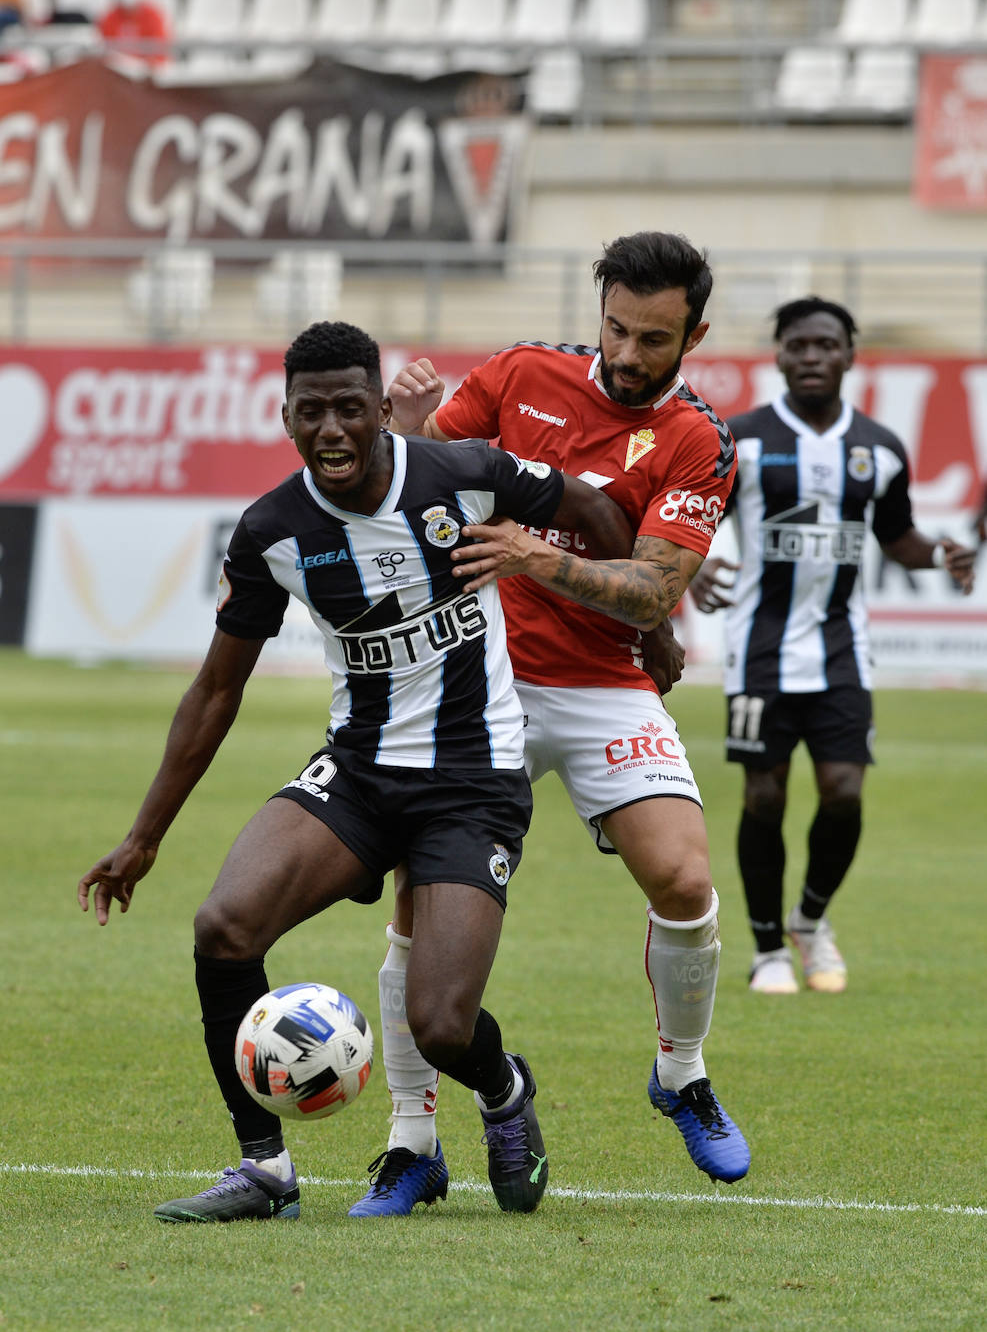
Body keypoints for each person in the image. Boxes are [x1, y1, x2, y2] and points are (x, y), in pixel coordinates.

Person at [77, 320, 636, 1223]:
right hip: (361, 773)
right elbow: (217, 691)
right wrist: (143, 839)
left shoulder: (462, 473)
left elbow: (591, 511)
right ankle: (263, 1172)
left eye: (348, 408)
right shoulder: (272, 530)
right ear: (285, 418)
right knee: (224, 927)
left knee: (441, 1026)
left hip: (472, 779)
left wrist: (641, 625)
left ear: (383, 411)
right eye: (310, 412)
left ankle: (503, 1094)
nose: (330, 429)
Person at [345, 230, 752, 1220]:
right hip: (481, 686)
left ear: (694, 333)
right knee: (416, 906)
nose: (627, 352)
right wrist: (401, 433)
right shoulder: (524, 373)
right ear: (599, 307)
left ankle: (681, 1072)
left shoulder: (698, 440)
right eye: (617, 326)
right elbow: (413, 483)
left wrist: (536, 557)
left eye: (655, 338)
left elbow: (654, 587)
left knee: (687, 880)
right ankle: (411, 1144)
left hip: (605, 683)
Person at [689, 297, 977, 996]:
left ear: (849, 355)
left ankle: (809, 920)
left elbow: (897, 537)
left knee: (843, 792)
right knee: (763, 795)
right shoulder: (743, 439)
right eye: (797, 345)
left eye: (825, 345)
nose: (811, 357)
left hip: (842, 648)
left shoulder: (877, 448)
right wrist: (690, 569)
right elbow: (690, 518)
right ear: (779, 356)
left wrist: (940, 554)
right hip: (758, 647)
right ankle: (766, 951)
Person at [97, 0, 171, 68]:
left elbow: (160, 56)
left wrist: (139, 65)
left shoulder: (153, 16)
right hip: (114, 76)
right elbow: (103, 52)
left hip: (145, 78)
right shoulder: (110, 17)